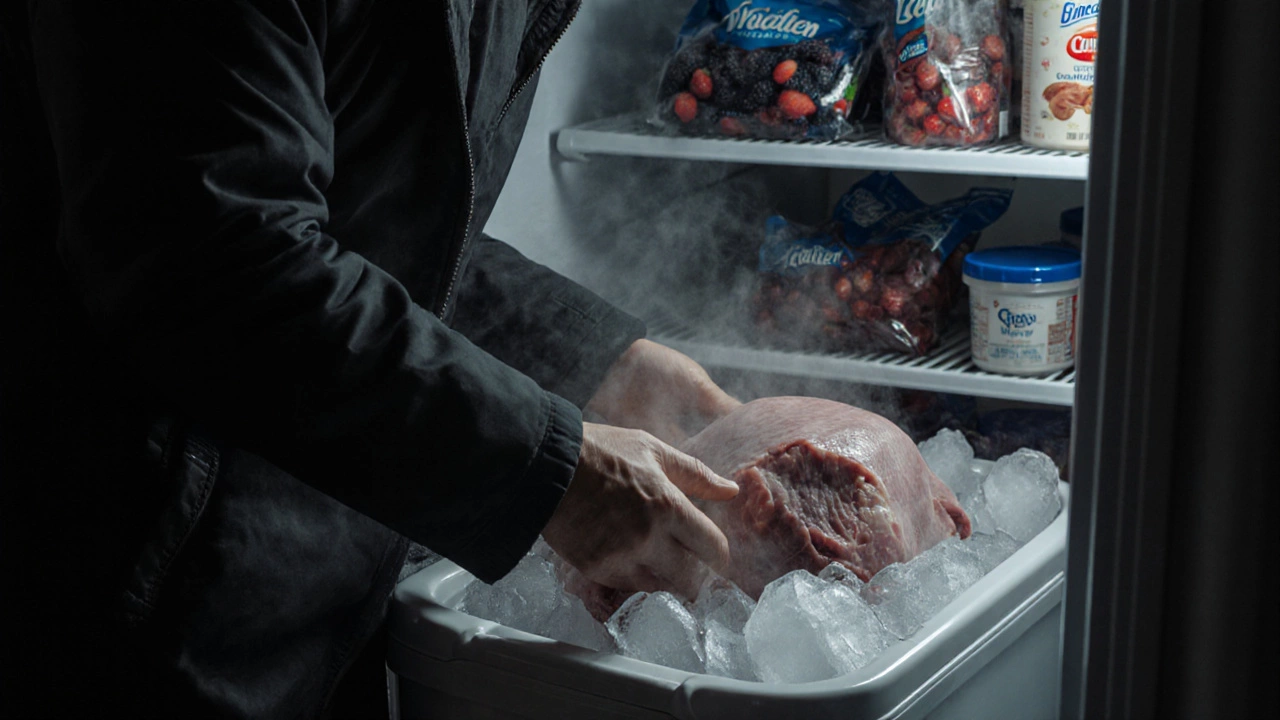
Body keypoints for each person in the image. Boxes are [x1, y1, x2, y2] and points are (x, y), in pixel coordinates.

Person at [0, 2, 742, 717]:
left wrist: (598, 360)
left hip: (334, 563)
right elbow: (210, 256)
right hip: (130, 571)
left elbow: (386, 228)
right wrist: (547, 468)